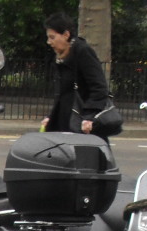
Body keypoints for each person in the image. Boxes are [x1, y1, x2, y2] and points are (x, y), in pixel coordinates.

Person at [41, 11, 111, 139]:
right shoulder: (61, 56)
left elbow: (99, 87)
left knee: (84, 158)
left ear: (66, 35)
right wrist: (51, 118)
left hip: (82, 125)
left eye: (52, 37)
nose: (49, 42)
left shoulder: (82, 52)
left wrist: (89, 116)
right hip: (65, 123)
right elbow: (64, 94)